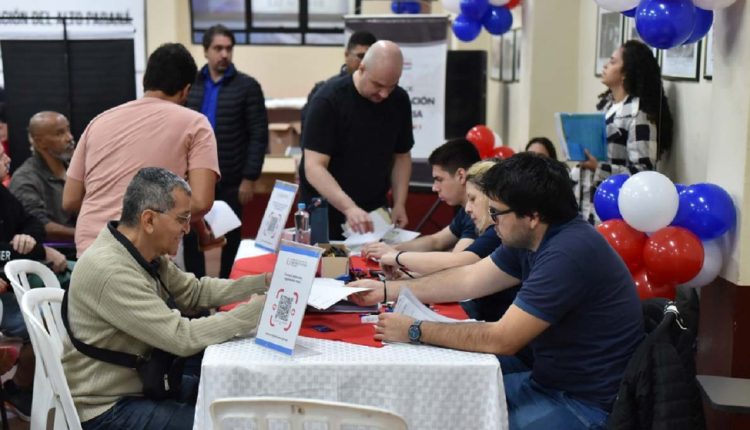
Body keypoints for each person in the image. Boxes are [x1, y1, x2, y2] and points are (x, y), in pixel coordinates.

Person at [350, 153, 644, 429]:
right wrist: (386, 290)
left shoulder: (568, 253)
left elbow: (501, 339)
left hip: (584, 404)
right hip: (546, 382)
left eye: (496, 212)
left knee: (451, 416)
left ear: (531, 216)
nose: (492, 221)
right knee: (440, 400)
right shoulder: (531, 238)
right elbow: (468, 278)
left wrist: (415, 330)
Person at [61, 167, 268, 429]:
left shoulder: (142, 251)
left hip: (148, 383)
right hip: (106, 407)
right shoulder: (111, 271)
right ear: (148, 220)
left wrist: (262, 283)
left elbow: (194, 293)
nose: (187, 229)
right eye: (182, 219)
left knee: (236, 397)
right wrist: (251, 313)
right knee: (226, 422)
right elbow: (182, 337)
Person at [63, 43, 222, 258]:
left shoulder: (98, 122)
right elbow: (201, 202)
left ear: (144, 81)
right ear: (186, 90)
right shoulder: (195, 124)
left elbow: (70, 199)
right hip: (142, 253)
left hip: (89, 252)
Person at [299, 40, 414, 239]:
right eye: (378, 85)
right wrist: (349, 208)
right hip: (328, 208)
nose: (384, 94)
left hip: (374, 209)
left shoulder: (399, 100)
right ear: (361, 68)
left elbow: (402, 156)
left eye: (391, 86)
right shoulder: (328, 100)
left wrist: (399, 203)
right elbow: (314, 167)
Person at [185, 24, 269, 278]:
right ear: (206, 51)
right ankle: (194, 288)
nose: (224, 54)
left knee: (230, 236)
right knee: (190, 233)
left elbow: (258, 134)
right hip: (194, 176)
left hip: (232, 176)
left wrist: (250, 177)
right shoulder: (191, 85)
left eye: (228, 49)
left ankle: (225, 290)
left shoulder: (248, 87)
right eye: (218, 48)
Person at [0, 143, 68, 421]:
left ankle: (23, 389)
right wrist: (37, 250)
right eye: (0, 154)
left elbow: (33, 225)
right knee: (48, 321)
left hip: (12, 282)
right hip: (6, 292)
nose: (7, 157)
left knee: (64, 309)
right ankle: (21, 388)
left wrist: (28, 240)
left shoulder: (3, 194)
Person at [576, 39, 673, 224]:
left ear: (625, 73)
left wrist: (599, 167)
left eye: (613, 62)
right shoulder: (607, 105)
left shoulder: (639, 114)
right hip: (591, 199)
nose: (605, 65)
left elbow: (643, 172)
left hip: (616, 208)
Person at [363, 138, 481, 260]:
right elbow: (436, 241)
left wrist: (397, 256)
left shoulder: (478, 212)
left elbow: (455, 262)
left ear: (461, 175)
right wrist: (393, 248)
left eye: (439, 179)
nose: (434, 188)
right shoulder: (466, 210)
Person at [10, 111, 77, 244]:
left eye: (68, 130)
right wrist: (88, 234)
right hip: (59, 251)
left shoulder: (74, 168)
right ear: (39, 142)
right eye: (59, 133)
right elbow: (40, 226)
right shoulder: (25, 179)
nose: (69, 137)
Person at [300, 31, 377, 127]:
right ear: (347, 55)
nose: (364, 63)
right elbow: (309, 134)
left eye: (370, 57)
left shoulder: (381, 94)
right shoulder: (324, 92)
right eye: (361, 56)